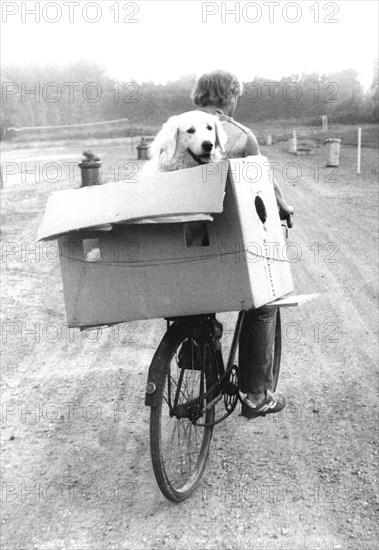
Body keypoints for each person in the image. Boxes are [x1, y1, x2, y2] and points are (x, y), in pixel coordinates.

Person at [191, 70, 294, 418]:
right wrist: (284, 207)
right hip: (228, 250)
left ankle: (197, 355)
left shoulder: (176, 131)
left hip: (182, 250)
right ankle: (255, 395)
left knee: (189, 303)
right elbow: (264, 186)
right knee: (262, 305)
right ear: (229, 97)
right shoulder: (242, 136)